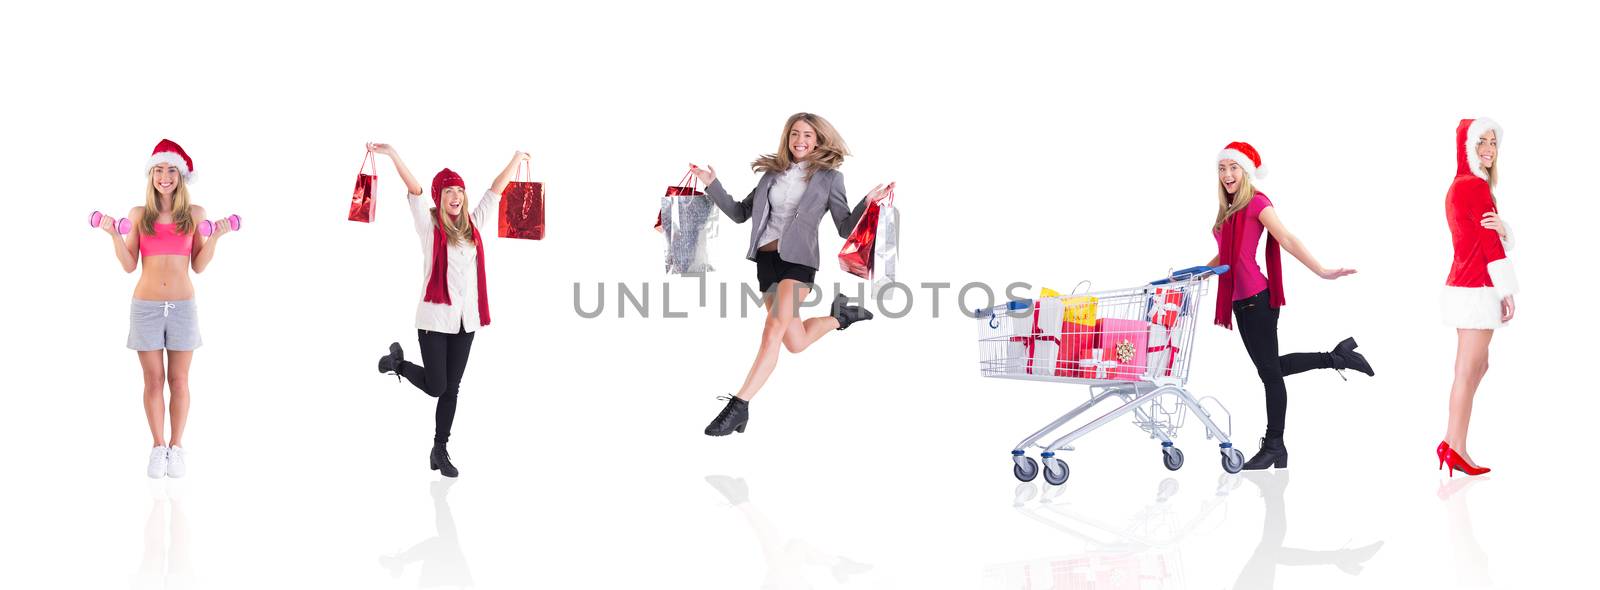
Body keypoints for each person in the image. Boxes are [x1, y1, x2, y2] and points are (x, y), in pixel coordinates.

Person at [691, 113, 891, 436]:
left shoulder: (829, 178)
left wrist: (867, 202)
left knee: (772, 329)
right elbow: (741, 213)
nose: (800, 140)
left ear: (818, 140)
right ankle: (840, 316)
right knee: (794, 342)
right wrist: (710, 184)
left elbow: (843, 228)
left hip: (799, 263)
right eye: (795, 134)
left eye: (808, 135)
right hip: (766, 262)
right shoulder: (772, 174)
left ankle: (738, 407)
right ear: (787, 138)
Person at [1208, 141, 1374, 471]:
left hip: (1258, 299)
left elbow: (1287, 239)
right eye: (1222, 168)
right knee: (1270, 369)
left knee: (1270, 374)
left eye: (1233, 167)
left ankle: (1274, 444)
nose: (1227, 174)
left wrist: (1322, 271)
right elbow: (1227, 259)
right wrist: (1194, 274)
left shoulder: (1257, 203)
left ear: (1246, 171)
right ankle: (1337, 357)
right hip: (1240, 302)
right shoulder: (1227, 212)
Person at [370, 142, 529, 477]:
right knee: (437, 387)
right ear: (439, 197)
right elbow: (414, 189)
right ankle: (397, 363)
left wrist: (516, 158)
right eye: (448, 192)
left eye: (459, 190)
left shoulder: (473, 225)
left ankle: (439, 448)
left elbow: (495, 191)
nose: (455, 196)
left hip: (466, 322)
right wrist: (394, 155)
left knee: (452, 389)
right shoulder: (429, 227)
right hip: (434, 320)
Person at [99, 139, 232, 479]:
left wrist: (216, 237)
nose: (165, 176)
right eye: (159, 170)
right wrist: (113, 235)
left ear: (181, 175)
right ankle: (158, 447)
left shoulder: (195, 216)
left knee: (180, 380)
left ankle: (177, 446)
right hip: (145, 306)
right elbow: (129, 265)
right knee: (153, 380)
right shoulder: (139, 216)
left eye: (171, 170)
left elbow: (199, 266)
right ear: (151, 175)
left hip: (183, 306)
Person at [1438, 118, 1517, 477]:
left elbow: (1483, 235)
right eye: (1480, 142)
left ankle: (1453, 445)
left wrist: (1505, 230)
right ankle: (1455, 447)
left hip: (1464, 284)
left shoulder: (1461, 185)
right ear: (1466, 147)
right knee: (1469, 372)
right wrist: (1506, 290)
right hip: (1478, 287)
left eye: (1493, 142)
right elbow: (1487, 244)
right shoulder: (1474, 187)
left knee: (1473, 368)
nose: (1488, 148)